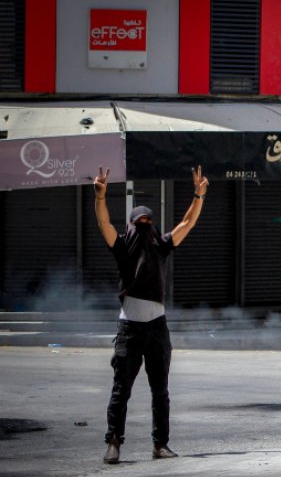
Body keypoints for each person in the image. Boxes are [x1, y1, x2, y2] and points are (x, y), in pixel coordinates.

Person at [94, 166, 209, 464]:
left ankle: (160, 445)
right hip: (130, 327)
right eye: (139, 223)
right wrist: (101, 195)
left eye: (149, 222)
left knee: (161, 392)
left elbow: (187, 222)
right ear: (131, 226)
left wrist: (198, 194)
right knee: (121, 390)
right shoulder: (122, 247)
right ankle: (114, 443)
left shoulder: (162, 245)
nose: (145, 227)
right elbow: (104, 221)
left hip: (157, 327)